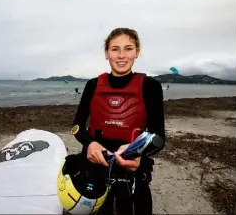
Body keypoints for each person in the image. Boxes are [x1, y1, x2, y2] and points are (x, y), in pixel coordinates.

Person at [71, 27, 166, 215]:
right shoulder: (93, 85)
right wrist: (90, 144)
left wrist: (139, 154)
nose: (121, 56)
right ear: (107, 53)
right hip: (96, 165)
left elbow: (159, 137)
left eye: (128, 49)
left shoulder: (150, 86)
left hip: (133, 167)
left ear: (137, 52)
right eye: (115, 49)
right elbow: (77, 127)